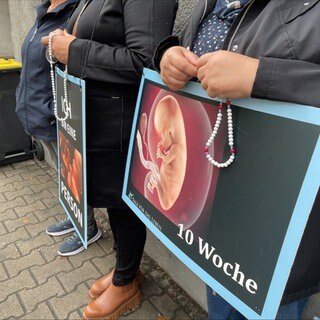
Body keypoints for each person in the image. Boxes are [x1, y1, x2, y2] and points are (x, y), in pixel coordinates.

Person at [154, 0, 320, 319]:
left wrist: (262, 76)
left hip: (279, 232)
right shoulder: (212, 3)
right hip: (219, 215)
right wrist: (168, 55)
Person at [41, 0, 177, 318]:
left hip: (123, 120)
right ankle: (125, 268)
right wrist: (61, 40)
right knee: (112, 201)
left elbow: (146, 61)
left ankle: (126, 281)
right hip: (100, 118)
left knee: (122, 203)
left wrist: (74, 51)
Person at [15, 0, 77, 169]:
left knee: (72, 183)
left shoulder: (73, 14)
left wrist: (52, 110)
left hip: (56, 122)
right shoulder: (45, 11)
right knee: (62, 178)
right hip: (38, 116)